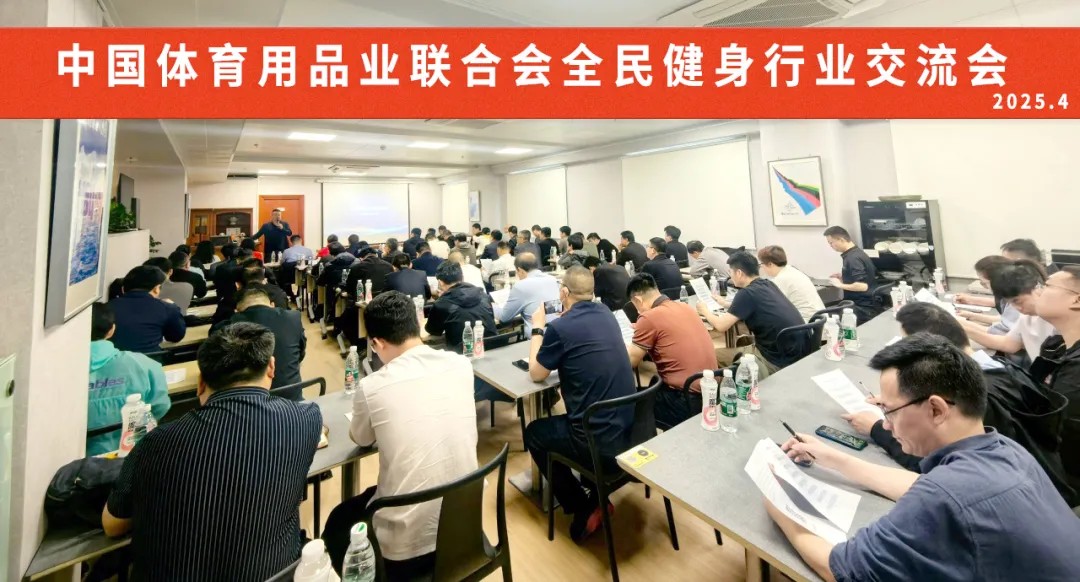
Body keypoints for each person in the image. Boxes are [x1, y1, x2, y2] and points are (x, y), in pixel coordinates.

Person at [767, 333, 1080, 582]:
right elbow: (922, 486)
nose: (886, 424)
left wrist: (778, 501)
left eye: (889, 410)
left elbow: (842, 568)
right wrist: (833, 458)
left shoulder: (945, 495)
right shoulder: (1005, 450)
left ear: (936, 409)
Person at [102, 323, 323, 581]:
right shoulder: (305, 419)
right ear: (271, 368)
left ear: (200, 382)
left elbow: (112, 524)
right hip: (277, 572)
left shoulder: (155, 443)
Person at [843, 301, 1075, 504]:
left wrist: (875, 428)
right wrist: (901, 402)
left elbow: (936, 464)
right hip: (1050, 482)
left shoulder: (975, 401)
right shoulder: (1002, 368)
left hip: (1030, 499)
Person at [323, 292, 478, 577]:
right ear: (417, 323)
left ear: (378, 343)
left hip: (404, 549)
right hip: (465, 524)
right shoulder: (461, 364)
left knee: (338, 521)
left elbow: (361, 438)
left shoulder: (373, 386)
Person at [524, 266, 637, 542]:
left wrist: (538, 327)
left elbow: (536, 373)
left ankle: (582, 506)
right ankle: (593, 493)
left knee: (535, 433)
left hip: (595, 440)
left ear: (564, 292)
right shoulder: (606, 314)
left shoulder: (560, 327)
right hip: (628, 429)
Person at [626, 273, 717, 428]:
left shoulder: (649, 318)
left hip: (684, 400)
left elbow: (630, 361)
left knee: (636, 406)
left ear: (638, 300)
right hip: (711, 391)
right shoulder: (684, 307)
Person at [697, 251, 805, 376]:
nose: (730, 276)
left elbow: (721, 325)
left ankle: (725, 384)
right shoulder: (768, 284)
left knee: (710, 354)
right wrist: (725, 304)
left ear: (739, 273)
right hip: (796, 352)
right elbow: (753, 305)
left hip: (774, 359)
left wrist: (704, 310)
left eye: (731, 272)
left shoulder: (746, 293)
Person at [87, 303, 171, 456]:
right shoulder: (144, 364)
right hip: (133, 454)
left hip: (76, 462)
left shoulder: (57, 372)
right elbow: (160, 407)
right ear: (112, 330)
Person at [1031, 265, 1080, 489]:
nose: (1038, 291)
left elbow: (1060, 431)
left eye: (1047, 285)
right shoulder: (1056, 347)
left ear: (1076, 300)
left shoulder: (1076, 369)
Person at [210, 285, 306, 396]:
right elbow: (300, 354)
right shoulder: (293, 318)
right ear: (272, 305)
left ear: (237, 311)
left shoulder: (225, 328)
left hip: (248, 402)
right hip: (292, 397)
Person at [960, 260, 1056, 363]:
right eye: (1011, 303)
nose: (1018, 308)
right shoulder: (1026, 318)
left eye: (1018, 301)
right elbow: (1009, 344)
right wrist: (961, 329)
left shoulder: (1057, 316)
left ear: (1037, 287)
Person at [109, 266, 187, 353]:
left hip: (114, 360)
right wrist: (174, 307)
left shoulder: (105, 308)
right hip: (152, 359)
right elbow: (176, 337)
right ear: (156, 289)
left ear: (123, 289)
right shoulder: (166, 307)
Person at [425, 261, 496, 354]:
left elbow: (433, 330)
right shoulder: (483, 295)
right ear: (462, 278)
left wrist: (441, 299)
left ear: (440, 282)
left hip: (461, 355)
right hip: (493, 349)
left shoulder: (441, 304)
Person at [824, 226, 883, 324]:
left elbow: (862, 286)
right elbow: (865, 277)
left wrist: (839, 285)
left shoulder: (853, 258)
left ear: (841, 240)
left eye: (831, 243)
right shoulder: (857, 253)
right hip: (867, 303)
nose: (830, 246)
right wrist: (844, 276)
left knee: (822, 317)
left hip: (862, 308)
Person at [757, 245, 825, 322]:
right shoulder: (792, 271)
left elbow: (771, 308)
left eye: (761, 264)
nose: (761, 267)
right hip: (820, 320)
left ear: (770, 264)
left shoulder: (780, 279)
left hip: (806, 323)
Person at [496, 253, 559, 335]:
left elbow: (504, 318)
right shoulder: (553, 280)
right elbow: (552, 307)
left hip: (537, 336)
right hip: (557, 332)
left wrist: (492, 307)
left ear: (520, 270)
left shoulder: (521, 286)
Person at [955, 255, 1016, 335]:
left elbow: (1001, 333)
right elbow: (1004, 320)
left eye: (984, 283)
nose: (985, 287)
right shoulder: (1007, 295)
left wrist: (960, 325)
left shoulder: (1015, 300)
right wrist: (971, 315)